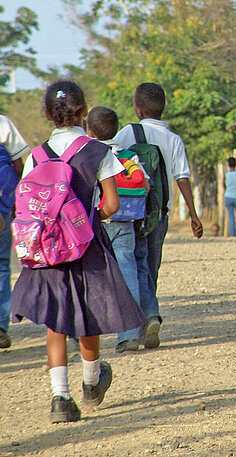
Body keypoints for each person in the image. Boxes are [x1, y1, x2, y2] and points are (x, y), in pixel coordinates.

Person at [11, 81, 145, 423]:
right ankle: (91, 382)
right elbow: (112, 204)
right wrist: (84, 220)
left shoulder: (36, 156)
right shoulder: (98, 152)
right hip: (87, 247)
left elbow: (25, 205)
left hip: (47, 251)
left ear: (46, 114)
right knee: (90, 315)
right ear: (84, 112)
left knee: (56, 321)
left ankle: (60, 398)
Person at [114, 82, 203, 349]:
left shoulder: (127, 133)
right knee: (150, 267)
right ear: (163, 108)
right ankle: (150, 317)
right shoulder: (174, 139)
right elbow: (182, 178)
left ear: (137, 108)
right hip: (159, 214)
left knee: (133, 266)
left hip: (129, 214)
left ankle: (142, 321)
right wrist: (193, 214)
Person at [87, 106, 150, 353]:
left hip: (97, 222)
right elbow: (144, 183)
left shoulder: (90, 155)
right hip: (125, 222)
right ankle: (130, 335)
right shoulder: (128, 155)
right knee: (128, 274)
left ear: (89, 130)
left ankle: (91, 333)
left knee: (95, 279)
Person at [0, 115, 29, 348]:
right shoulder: (3, 123)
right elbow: (19, 162)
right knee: (1, 263)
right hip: (3, 207)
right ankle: (0, 325)